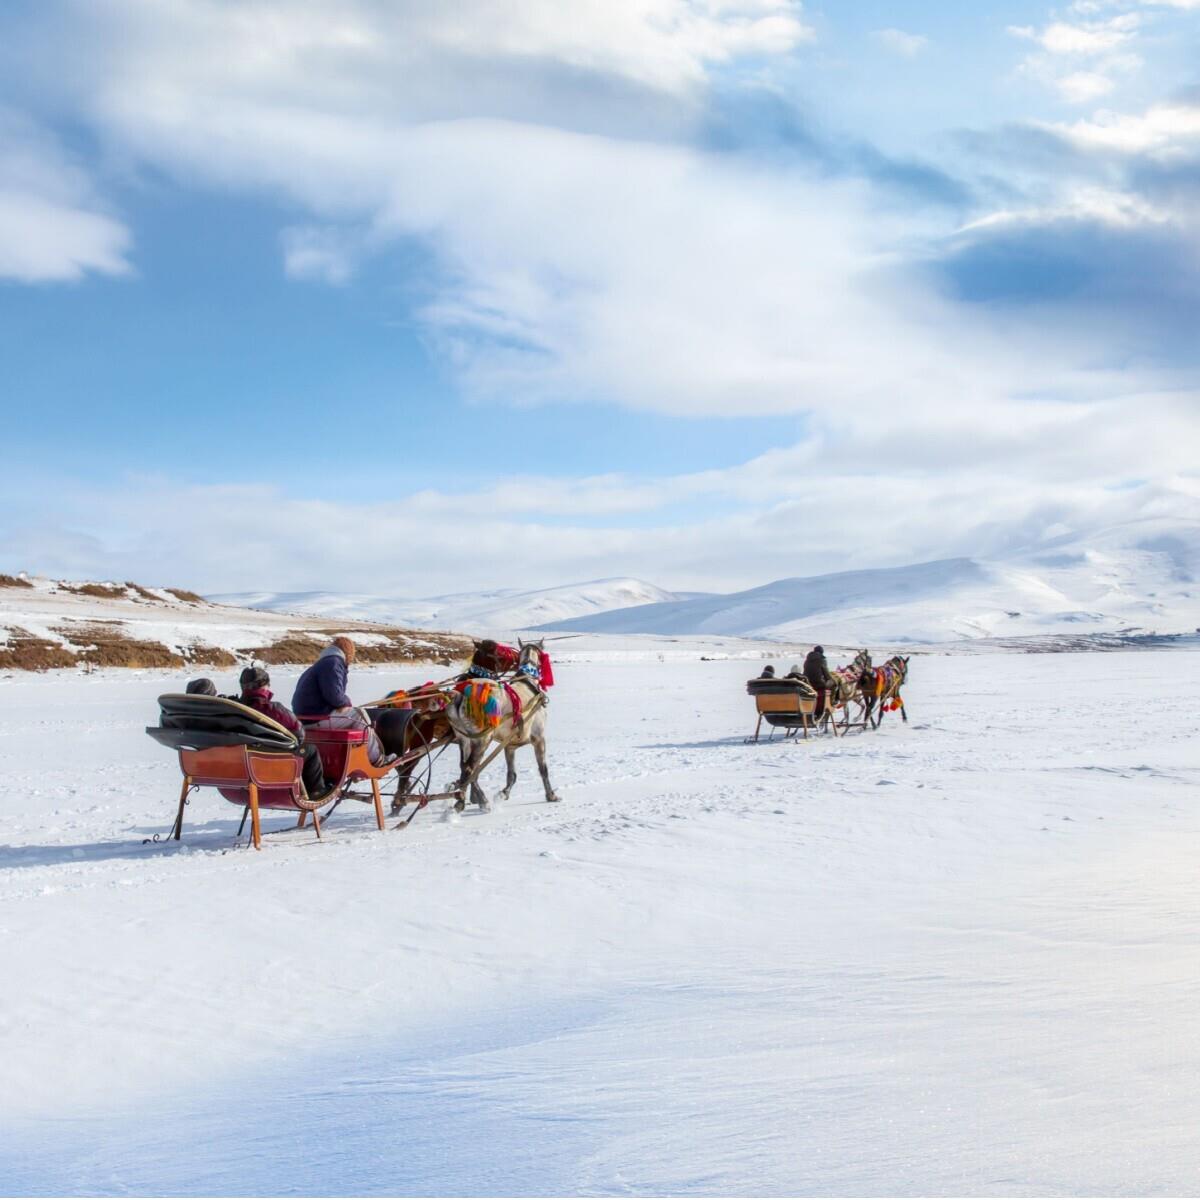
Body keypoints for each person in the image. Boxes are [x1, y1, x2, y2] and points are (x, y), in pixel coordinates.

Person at [291, 637, 407, 764]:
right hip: (318, 718)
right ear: (348, 652)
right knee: (359, 714)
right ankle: (376, 759)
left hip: (305, 719)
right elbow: (335, 696)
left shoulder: (321, 664)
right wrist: (346, 702)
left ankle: (358, 754)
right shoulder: (333, 663)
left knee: (353, 714)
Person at [237, 665, 328, 798]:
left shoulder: (235, 708)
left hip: (243, 762)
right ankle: (316, 790)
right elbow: (299, 734)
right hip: (271, 763)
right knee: (309, 749)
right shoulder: (274, 709)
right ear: (264, 686)